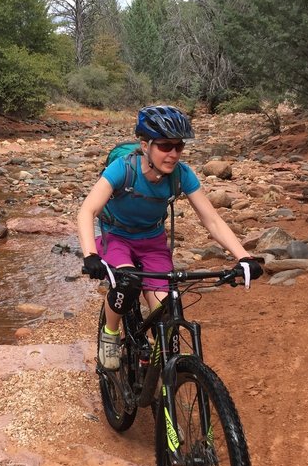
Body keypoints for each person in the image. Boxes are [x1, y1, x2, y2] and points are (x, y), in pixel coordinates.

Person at [77, 105, 263, 370]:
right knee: (127, 284)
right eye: (165, 146)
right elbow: (88, 210)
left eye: (179, 147)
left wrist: (243, 256)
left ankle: (162, 369)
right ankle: (110, 333)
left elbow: (211, 219)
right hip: (115, 238)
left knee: (166, 312)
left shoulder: (181, 175)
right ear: (145, 145)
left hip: (152, 243)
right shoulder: (123, 168)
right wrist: (90, 255)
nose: (173, 154)